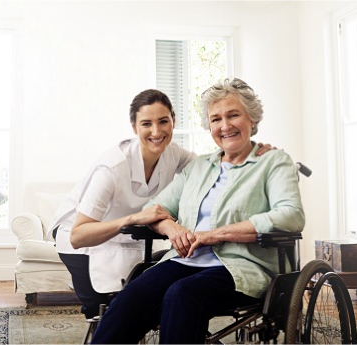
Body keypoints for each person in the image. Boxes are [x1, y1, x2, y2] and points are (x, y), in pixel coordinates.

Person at [90, 77, 305, 344]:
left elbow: (291, 215)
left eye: (233, 115)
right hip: (184, 259)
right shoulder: (199, 166)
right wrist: (172, 228)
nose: (224, 126)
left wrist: (216, 234)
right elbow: (154, 208)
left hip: (242, 267)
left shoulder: (273, 162)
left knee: (182, 294)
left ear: (252, 119)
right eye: (215, 119)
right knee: (131, 298)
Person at [49, 88, 273, 319]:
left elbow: (214, 168)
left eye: (163, 121)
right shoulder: (111, 169)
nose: (156, 132)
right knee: (107, 308)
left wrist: (254, 154)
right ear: (133, 126)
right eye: (146, 123)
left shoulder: (174, 153)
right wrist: (133, 218)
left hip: (128, 235)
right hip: (82, 237)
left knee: (149, 297)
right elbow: (78, 236)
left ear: (173, 121)